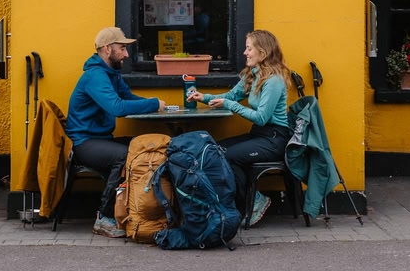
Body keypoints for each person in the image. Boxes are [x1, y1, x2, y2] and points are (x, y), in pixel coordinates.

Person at [65, 26, 166, 238]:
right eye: (122, 48)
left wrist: (158, 105)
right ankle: (103, 217)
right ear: (107, 49)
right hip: (85, 143)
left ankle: (141, 210)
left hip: (101, 139)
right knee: (123, 156)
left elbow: (128, 98)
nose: (127, 54)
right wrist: (153, 103)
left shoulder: (112, 74)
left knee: (142, 147)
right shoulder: (96, 76)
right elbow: (117, 108)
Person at [186, 29, 291, 227]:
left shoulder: (274, 81)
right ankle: (237, 203)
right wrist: (205, 97)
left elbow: (261, 117)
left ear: (263, 52)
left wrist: (230, 106)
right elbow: (232, 96)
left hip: (274, 139)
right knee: (215, 150)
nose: (245, 52)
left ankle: (254, 200)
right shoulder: (253, 75)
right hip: (259, 135)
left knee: (228, 156)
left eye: (249, 48)